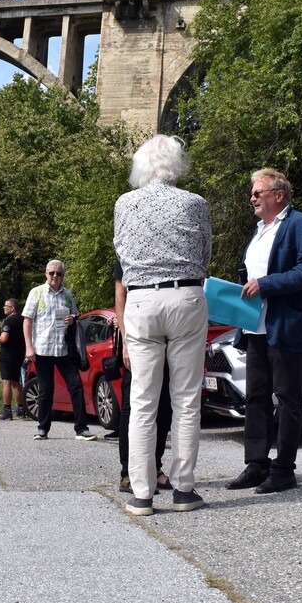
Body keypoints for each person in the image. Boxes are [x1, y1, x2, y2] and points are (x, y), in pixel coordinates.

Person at [113, 135, 212, 515]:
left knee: (142, 400)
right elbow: (205, 254)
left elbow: (122, 251)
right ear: (176, 164)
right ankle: (184, 490)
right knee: (186, 399)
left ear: (141, 166)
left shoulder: (125, 204)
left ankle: (142, 493)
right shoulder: (195, 203)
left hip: (140, 299)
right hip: (186, 296)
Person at [229, 168, 302, 494]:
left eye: (259, 192)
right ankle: (256, 465)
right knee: (255, 398)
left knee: (287, 399)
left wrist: (266, 284)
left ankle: (284, 469)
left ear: (279, 195)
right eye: (253, 193)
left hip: (287, 327)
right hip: (255, 329)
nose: (252, 197)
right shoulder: (259, 231)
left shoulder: (301, 225)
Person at [111, 262, 174, 493]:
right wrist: (126, 342)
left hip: (168, 334)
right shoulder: (128, 247)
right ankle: (128, 474)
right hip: (137, 338)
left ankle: (154, 467)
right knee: (134, 407)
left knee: (164, 405)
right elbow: (120, 296)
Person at [23, 259, 95, 441]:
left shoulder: (67, 295)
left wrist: (72, 319)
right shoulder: (37, 293)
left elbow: (75, 317)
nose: (55, 276)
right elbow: (27, 320)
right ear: (46, 274)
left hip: (64, 349)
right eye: (52, 273)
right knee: (46, 391)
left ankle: (81, 429)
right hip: (43, 349)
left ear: (63, 275)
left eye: (59, 273)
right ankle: (42, 429)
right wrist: (28, 347)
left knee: (76, 386)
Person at [0, 298, 26, 420]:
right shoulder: (22, 319)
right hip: (19, 355)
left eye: (6, 306)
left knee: (7, 381)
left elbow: (4, 338)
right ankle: (21, 409)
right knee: (16, 382)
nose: (4, 308)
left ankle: (7, 411)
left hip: (7, 356)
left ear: (12, 308)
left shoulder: (9, 321)